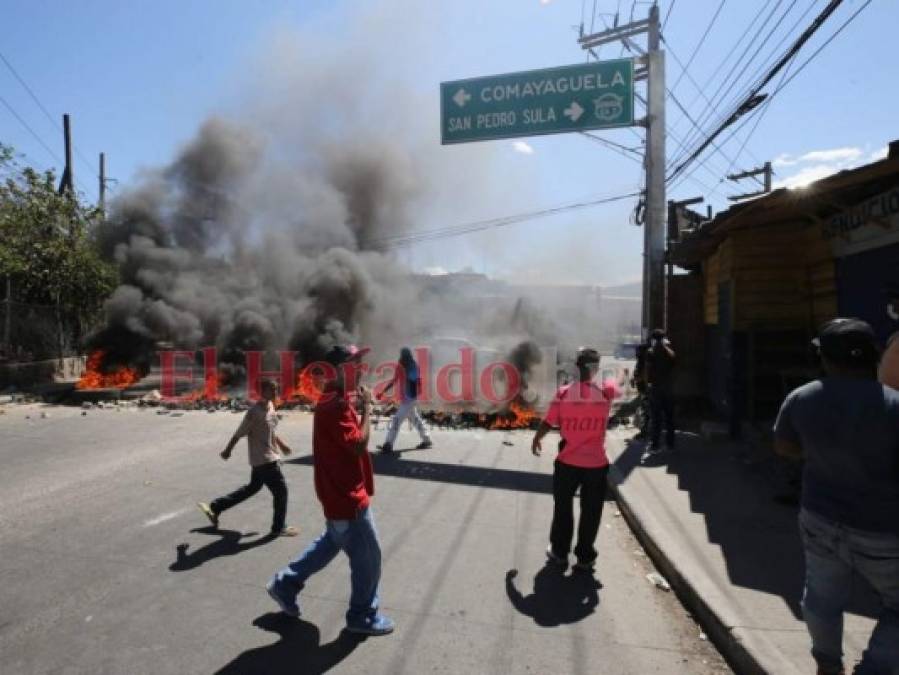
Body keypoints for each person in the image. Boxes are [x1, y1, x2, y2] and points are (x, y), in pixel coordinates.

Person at [774, 318, 899, 675]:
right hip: (884, 532)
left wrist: (819, 453)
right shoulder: (894, 405)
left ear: (824, 358)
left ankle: (827, 665)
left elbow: (784, 445)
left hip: (819, 518)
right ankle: (875, 668)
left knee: (822, 598)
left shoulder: (803, 397)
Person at [266, 345, 395, 636]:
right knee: (369, 561)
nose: (361, 369)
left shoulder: (335, 399)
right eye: (354, 364)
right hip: (348, 499)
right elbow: (359, 444)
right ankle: (362, 616)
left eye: (361, 363)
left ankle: (285, 584)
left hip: (337, 495)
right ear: (335, 371)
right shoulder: (336, 405)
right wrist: (368, 410)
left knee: (330, 543)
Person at [531, 347, 617, 574]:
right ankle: (585, 558)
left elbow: (549, 422)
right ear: (595, 368)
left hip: (567, 461)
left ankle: (559, 553)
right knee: (591, 511)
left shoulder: (564, 392)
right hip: (596, 464)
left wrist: (536, 438)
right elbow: (615, 386)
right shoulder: (606, 391)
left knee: (563, 508)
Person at [197, 379, 298, 537]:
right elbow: (239, 433)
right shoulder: (254, 412)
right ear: (262, 391)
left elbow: (270, 430)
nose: (275, 393)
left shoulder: (271, 406)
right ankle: (278, 527)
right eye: (272, 390)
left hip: (266, 458)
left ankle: (216, 507)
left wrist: (283, 445)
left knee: (253, 488)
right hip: (264, 460)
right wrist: (227, 450)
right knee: (281, 492)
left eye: (276, 390)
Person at [378, 346, 432, 454]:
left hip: (409, 399)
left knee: (396, 420)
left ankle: (388, 444)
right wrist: (383, 391)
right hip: (409, 398)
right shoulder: (406, 366)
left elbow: (414, 381)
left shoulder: (409, 366)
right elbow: (395, 380)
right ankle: (427, 440)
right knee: (415, 419)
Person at [645, 328, 676, 454]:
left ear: (653, 339)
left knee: (656, 418)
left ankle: (655, 446)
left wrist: (647, 385)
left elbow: (647, 371)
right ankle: (670, 445)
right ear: (664, 339)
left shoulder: (650, 352)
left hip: (656, 389)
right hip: (669, 389)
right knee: (669, 418)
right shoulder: (670, 353)